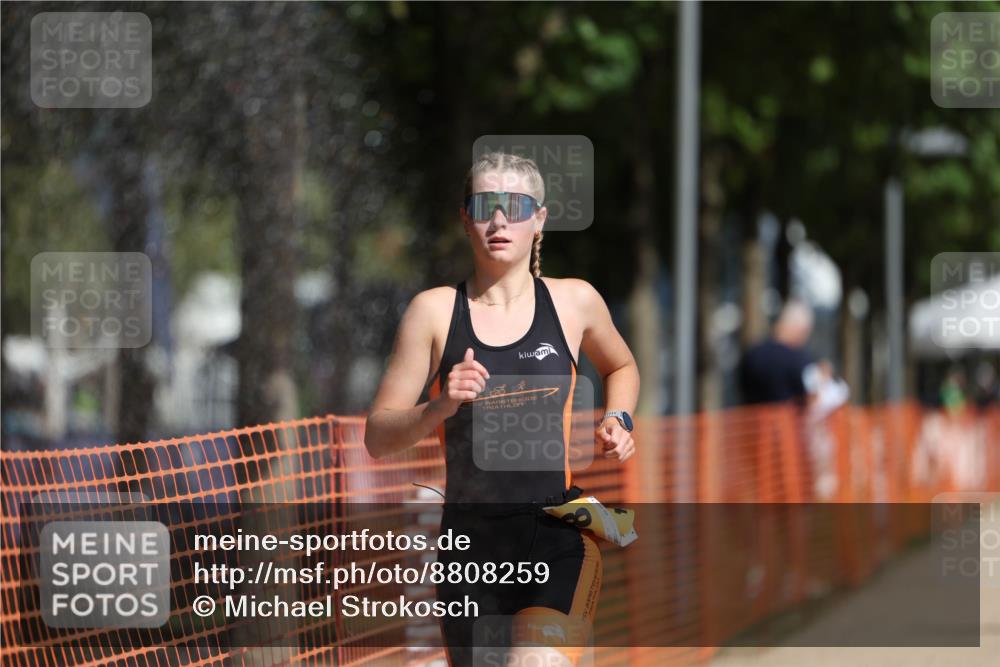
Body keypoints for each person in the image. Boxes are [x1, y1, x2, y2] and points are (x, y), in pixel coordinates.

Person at [364, 152, 640, 667]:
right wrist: (438, 406)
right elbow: (378, 436)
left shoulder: (574, 302)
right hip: (469, 552)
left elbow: (622, 367)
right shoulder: (433, 311)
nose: (499, 221)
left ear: (539, 219)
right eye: (485, 206)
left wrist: (618, 418)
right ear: (465, 217)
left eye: (515, 206)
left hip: (554, 537)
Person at [739, 300, 821, 406]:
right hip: (788, 421)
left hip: (752, 421)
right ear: (801, 329)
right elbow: (813, 396)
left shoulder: (751, 354)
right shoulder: (798, 360)